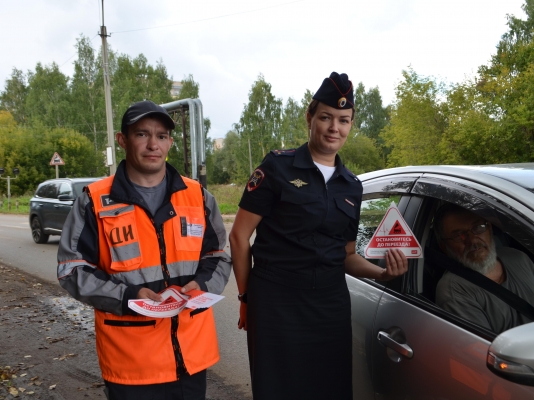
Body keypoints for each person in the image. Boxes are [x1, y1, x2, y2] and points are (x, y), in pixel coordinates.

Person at [229, 72, 409, 400]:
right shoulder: (277, 168)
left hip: (329, 305)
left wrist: (383, 273)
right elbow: (239, 237)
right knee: (278, 389)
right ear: (310, 117)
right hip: (276, 302)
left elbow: (347, 255)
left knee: (331, 388)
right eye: (326, 117)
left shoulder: (351, 186)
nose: (334, 128)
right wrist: (245, 298)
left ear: (351, 124)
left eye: (343, 120)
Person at [57, 100, 232, 399]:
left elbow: (218, 256)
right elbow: (71, 269)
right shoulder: (94, 201)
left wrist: (200, 285)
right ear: (122, 140)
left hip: (191, 358)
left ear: (170, 142)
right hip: (131, 364)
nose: (153, 144)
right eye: (142, 134)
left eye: (161, 136)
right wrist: (128, 296)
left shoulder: (198, 197)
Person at [434, 203, 534, 334]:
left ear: (489, 229)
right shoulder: (454, 290)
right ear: (443, 246)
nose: (472, 240)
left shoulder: (517, 257)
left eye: (478, 228)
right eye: (459, 236)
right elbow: (480, 349)